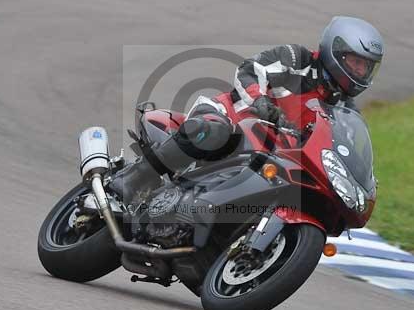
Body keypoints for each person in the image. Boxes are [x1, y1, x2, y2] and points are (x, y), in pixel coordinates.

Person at [109, 16, 385, 204]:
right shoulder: (296, 59)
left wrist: (364, 179)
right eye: (355, 62)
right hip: (230, 118)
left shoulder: (345, 111)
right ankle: (136, 177)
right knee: (213, 131)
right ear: (336, 50)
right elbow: (251, 70)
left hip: (271, 159)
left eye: (366, 66)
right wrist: (260, 102)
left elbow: (346, 150)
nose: (359, 71)